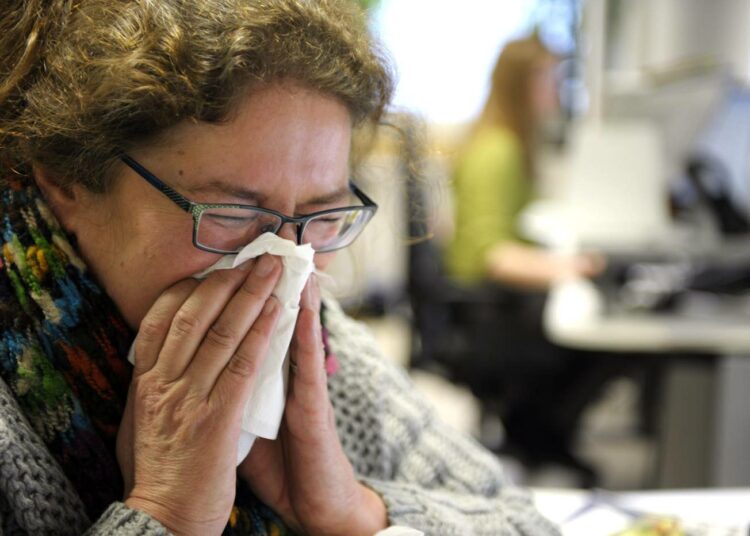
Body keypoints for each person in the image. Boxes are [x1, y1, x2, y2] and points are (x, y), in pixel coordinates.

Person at [0, 1, 560, 535]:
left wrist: (356, 511)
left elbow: (523, 523)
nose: (284, 262)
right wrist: (165, 515)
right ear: (67, 180)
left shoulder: (317, 347)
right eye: (232, 212)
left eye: (320, 215)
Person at [444, 34, 612, 479]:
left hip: (494, 301)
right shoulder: (497, 151)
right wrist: (569, 268)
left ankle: (540, 436)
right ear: (521, 85)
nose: (557, 88)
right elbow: (493, 256)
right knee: (604, 337)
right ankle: (539, 439)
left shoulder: (508, 145)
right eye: (549, 79)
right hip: (489, 309)